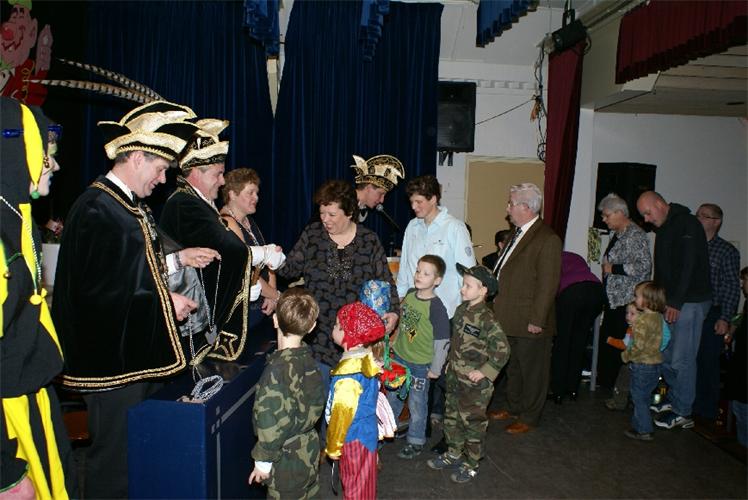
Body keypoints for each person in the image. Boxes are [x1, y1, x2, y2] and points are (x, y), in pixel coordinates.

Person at [52, 101, 206, 498]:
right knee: (114, 464)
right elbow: (95, 291)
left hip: (131, 356)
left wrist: (167, 289)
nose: (162, 180)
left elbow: (132, 272)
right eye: (160, 169)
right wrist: (165, 302)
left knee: (136, 457)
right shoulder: (97, 207)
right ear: (137, 158)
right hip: (109, 362)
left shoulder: (124, 205)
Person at [160, 119, 285, 361]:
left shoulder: (198, 202)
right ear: (196, 173)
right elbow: (229, 249)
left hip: (197, 313)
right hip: (188, 315)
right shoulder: (184, 204)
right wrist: (265, 253)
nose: (222, 181)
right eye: (217, 174)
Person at [1, 97, 75, 498]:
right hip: (10, 419)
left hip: (32, 400)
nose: (55, 166)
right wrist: (5, 472)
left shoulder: (17, 217)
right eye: (47, 156)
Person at [277, 180, 399, 414]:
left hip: (354, 344)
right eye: (322, 213)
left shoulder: (369, 240)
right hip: (317, 338)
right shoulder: (312, 235)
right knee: (316, 406)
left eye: (332, 214)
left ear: (350, 213)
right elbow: (288, 270)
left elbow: (385, 282)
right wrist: (270, 258)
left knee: (349, 412)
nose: (325, 219)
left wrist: (394, 311)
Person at [488, 183, 562, 434]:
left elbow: (548, 284)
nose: (507, 208)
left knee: (533, 371)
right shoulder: (516, 233)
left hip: (530, 318)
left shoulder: (547, 239)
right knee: (514, 367)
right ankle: (513, 406)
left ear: (526, 207)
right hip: (509, 315)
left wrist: (538, 319)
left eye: (511, 203)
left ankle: (530, 416)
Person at [427, 264, 509, 484]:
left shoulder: (487, 319)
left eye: (468, 286)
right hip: (455, 376)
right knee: (452, 417)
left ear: (483, 290)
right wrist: (449, 363)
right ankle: (454, 452)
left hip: (475, 385)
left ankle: (472, 463)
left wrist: (484, 372)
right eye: (463, 284)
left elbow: (503, 350)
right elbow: (456, 341)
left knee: (472, 423)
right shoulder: (462, 310)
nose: (462, 289)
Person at [637, 191, 711, 430]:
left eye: (648, 212)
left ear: (660, 204)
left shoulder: (687, 223)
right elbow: (662, 270)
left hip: (690, 301)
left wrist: (676, 302)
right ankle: (675, 399)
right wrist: (656, 300)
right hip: (669, 301)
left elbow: (689, 264)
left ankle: (683, 411)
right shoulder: (664, 229)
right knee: (666, 355)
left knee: (682, 359)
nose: (646, 219)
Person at [248, 288, 325, 499]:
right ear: (312, 326)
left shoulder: (276, 372)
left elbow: (269, 421)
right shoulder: (310, 361)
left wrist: (263, 463)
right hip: (308, 452)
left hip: (285, 462)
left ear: (275, 320)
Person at [386, 254, 450, 460]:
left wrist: (436, 368)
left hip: (420, 365)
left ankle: (415, 440)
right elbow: (403, 322)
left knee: (417, 404)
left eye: (426, 273)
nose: (419, 275)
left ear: (437, 280)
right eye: (418, 271)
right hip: (400, 358)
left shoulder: (436, 307)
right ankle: (387, 430)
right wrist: (394, 342)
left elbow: (442, 341)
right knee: (393, 397)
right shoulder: (410, 295)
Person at [325, 301, 385, 500]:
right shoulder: (365, 359)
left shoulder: (348, 376)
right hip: (367, 433)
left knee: (354, 486)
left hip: (353, 438)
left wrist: (333, 446)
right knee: (364, 483)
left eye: (337, 325)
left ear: (348, 334)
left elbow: (341, 414)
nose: (333, 328)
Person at [397, 174, 475, 319]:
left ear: (433, 199)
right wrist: (400, 297)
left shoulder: (455, 228)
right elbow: (405, 267)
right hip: (414, 310)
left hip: (447, 312)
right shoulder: (412, 227)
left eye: (419, 202)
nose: (413, 207)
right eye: (411, 202)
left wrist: (468, 309)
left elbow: (467, 273)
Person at [596, 193, 652, 389]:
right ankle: (607, 384)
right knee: (609, 343)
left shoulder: (635, 235)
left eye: (607, 215)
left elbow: (644, 266)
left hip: (628, 302)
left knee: (621, 345)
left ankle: (617, 388)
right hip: (615, 300)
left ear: (620, 213)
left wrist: (614, 268)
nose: (604, 219)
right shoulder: (618, 234)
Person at [693, 203, 741, 424]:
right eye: (697, 215)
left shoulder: (727, 251)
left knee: (707, 361)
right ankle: (689, 405)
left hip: (714, 312)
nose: (698, 219)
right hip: (691, 309)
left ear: (716, 222)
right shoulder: (691, 246)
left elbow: (732, 286)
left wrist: (725, 318)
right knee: (689, 359)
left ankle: (707, 412)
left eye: (703, 216)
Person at [220, 168, 281, 325]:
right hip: (242, 310)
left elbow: (268, 262)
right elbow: (245, 268)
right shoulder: (227, 222)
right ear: (232, 194)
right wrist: (277, 296)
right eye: (250, 193)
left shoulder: (248, 220)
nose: (256, 198)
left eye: (256, 193)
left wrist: (272, 294)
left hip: (261, 303)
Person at [549, 251, 604, 404]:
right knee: (579, 342)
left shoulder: (551, 256)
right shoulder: (575, 256)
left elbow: (551, 283)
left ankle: (558, 391)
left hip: (572, 292)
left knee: (562, 343)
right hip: (596, 290)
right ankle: (573, 389)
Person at [622, 281, 669, 441]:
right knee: (645, 397)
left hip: (642, 365)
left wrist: (626, 356)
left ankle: (644, 430)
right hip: (656, 364)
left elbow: (638, 345)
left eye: (637, 296)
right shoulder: (658, 318)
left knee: (638, 398)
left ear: (647, 300)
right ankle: (638, 426)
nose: (635, 299)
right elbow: (663, 338)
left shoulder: (642, 321)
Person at [725, 267, 747, 447]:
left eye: (745, 280)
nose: (742, 285)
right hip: (741, 364)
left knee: (742, 410)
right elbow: (740, 319)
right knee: (739, 409)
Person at [350, 153, 405, 224]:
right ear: (369, 187)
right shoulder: (342, 203)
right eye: (381, 194)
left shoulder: (361, 209)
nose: (382, 200)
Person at [604, 302, 639, 411]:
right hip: (636, 362)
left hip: (632, 362)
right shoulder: (630, 328)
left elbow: (624, 344)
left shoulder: (634, 329)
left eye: (632, 314)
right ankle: (631, 402)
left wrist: (610, 340)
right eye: (627, 313)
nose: (628, 316)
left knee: (622, 382)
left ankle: (619, 402)